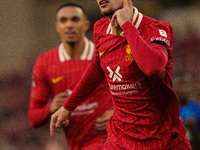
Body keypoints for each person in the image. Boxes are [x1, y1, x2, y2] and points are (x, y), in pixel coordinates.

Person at [50, 0, 191, 149]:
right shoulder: (100, 29)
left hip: (163, 140)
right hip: (121, 140)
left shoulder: (155, 28)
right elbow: (97, 68)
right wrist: (68, 107)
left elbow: (153, 68)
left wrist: (126, 25)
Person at [27, 2, 113, 150]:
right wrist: (51, 107)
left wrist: (116, 114)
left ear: (86, 25)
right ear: (57, 27)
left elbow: (133, 90)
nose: (69, 25)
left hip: (110, 138)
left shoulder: (105, 52)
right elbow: (33, 118)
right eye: (63, 20)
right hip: (77, 144)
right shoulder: (45, 63)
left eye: (75, 19)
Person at [173, 76, 200, 150]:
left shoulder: (196, 107)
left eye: (184, 86)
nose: (182, 90)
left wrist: (193, 129)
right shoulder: (172, 110)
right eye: (179, 86)